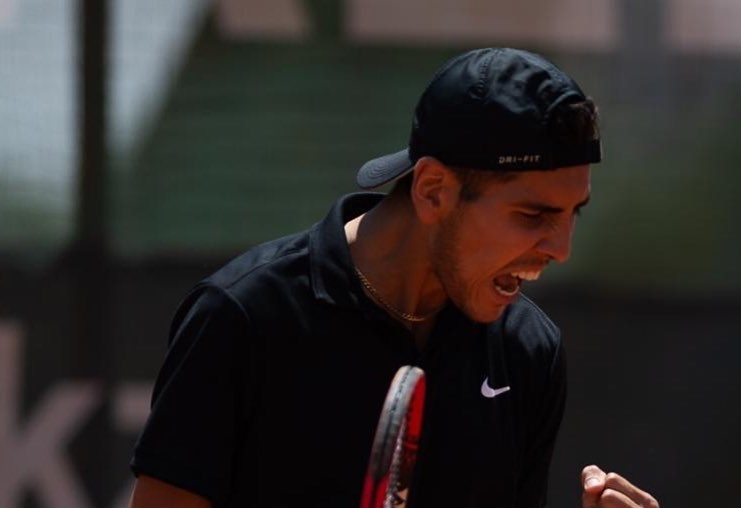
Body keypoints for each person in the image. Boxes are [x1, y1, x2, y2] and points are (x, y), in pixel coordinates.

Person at [127, 47, 659, 508]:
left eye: (574, 214)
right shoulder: (239, 319)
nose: (560, 249)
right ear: (432, 191)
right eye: (533, 215)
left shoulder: (529, 351)